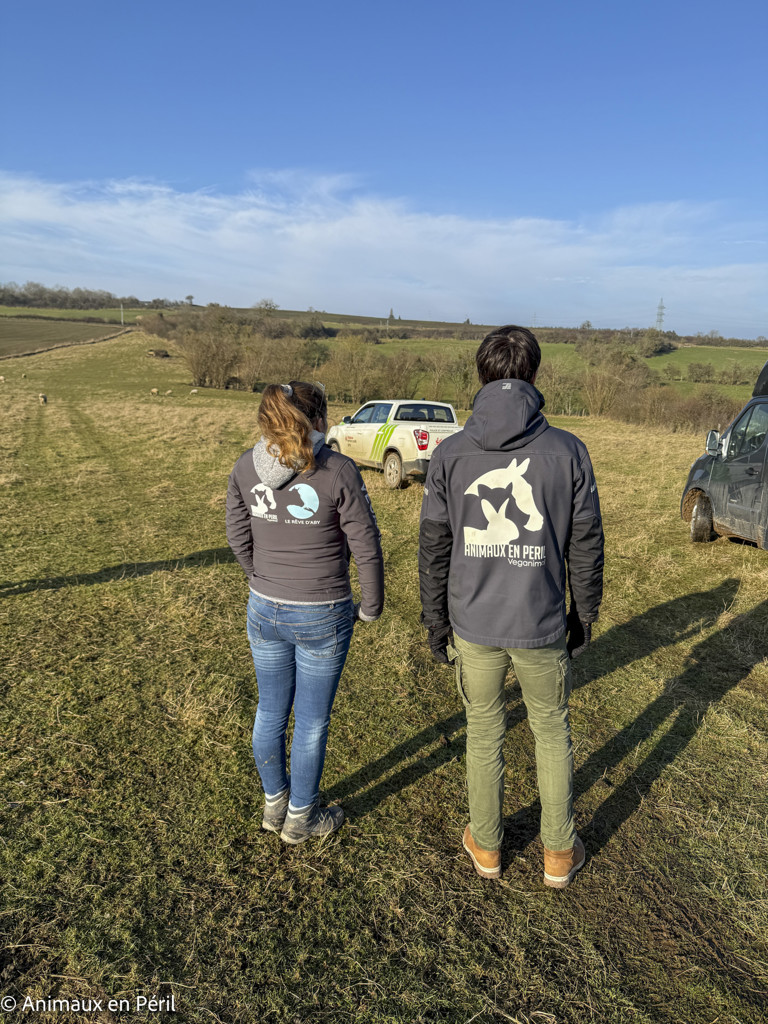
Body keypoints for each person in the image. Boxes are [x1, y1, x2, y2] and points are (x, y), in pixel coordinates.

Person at [418, 326, 603, 887]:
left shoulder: (450, 454)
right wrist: (583, 614)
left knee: (484, 732)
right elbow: (587, 543)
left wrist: (436, 621)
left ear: (481, 375)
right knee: (552, 731)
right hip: (541, 622)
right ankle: (557, 853)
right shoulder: (569, 451)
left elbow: (434, 548)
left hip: (473, 625)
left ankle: (489, 847)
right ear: (534, 375)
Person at [226, 381, 384, 844]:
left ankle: (275, 804)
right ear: (318, 422)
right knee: (312, 720)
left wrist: (262, 577)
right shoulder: (338, 470)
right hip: (323, 613)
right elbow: (366, 546)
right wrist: (370, 607)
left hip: (264, 607)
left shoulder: (243, 467)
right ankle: (301, 817)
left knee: (270, 709)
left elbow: (238, 536)